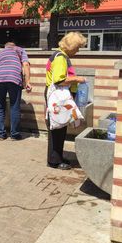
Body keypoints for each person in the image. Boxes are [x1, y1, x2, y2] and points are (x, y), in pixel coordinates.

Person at [45, 32, 87, 170]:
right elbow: (59, 80)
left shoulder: (60, 55)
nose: (78, 51)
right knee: (57, 128)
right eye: (77, 47)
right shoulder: (61, 58)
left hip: (56, 96)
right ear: (71, 46)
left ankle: (58, 156)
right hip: (57, 96)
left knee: (60, 127)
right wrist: (77, 79)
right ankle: (54, 161)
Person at [0, 42, 32, 141]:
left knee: (0, 107)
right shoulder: (20, 50)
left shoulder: (0, 53)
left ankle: (1, 134)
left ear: (5, 47)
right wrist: (27, 82)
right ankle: (14, 134)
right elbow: (26, 64)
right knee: (14, 106)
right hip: (14, 78)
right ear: (14, 46)